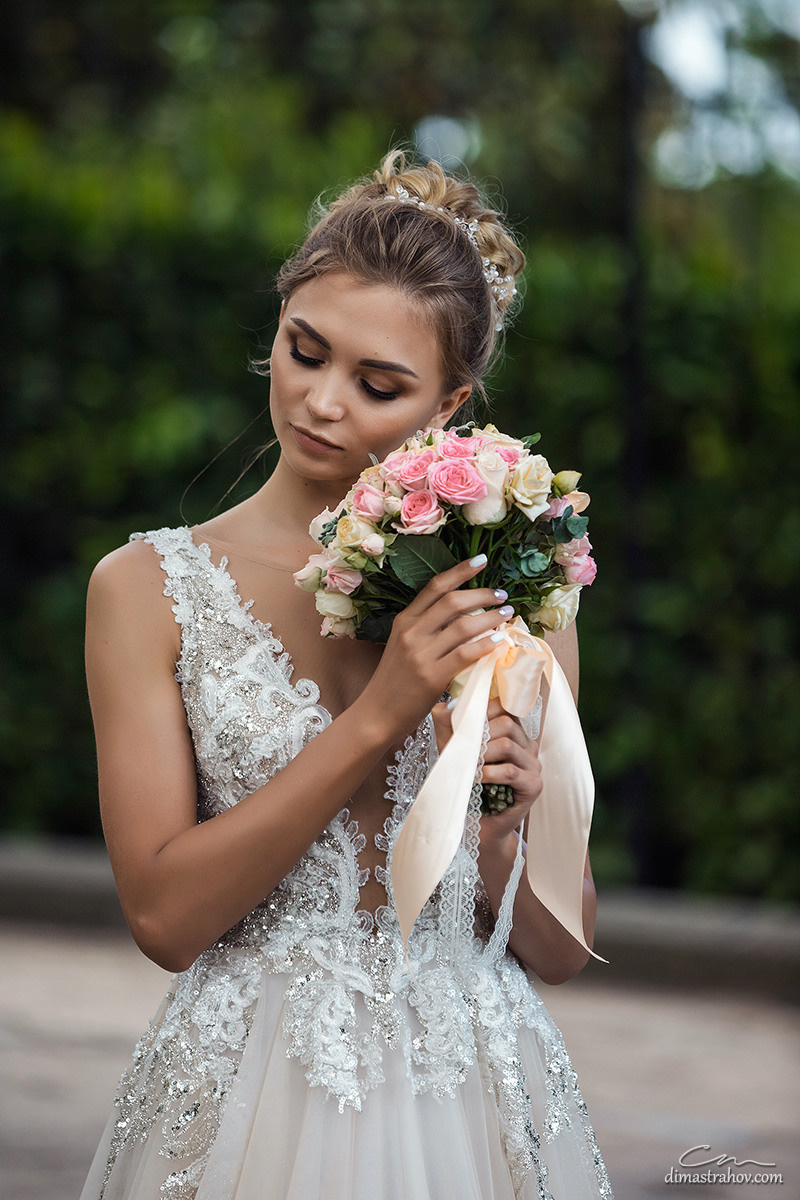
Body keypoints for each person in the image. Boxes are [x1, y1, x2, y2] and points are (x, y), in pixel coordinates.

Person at [81, 150, 614, 1200]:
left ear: (449, 401)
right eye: (303, 351)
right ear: (276, 323)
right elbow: (164, 921)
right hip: (244, 1094)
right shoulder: (144, 588)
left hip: (465, 1086)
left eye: (377, 385)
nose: (322, 402)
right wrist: (381, 713)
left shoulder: (513, 598)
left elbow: (557, 950)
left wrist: (505, 822)